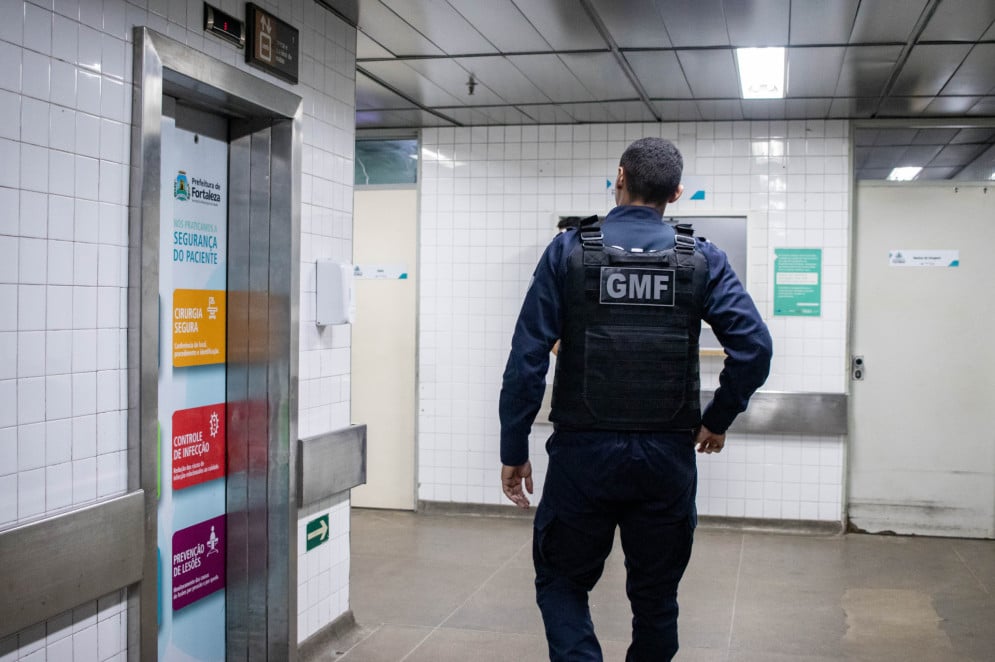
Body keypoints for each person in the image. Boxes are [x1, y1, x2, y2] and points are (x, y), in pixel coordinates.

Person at [499, 137, 772, 661]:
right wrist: (717, 419)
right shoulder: (701, 259)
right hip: (666, 460)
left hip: (583, 458)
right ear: (676, 192)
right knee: (655, 597)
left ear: (618, 176)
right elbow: (755, 348)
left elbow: (527, 358)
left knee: (562, 582)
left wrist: (514, 448)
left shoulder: (569, 250)